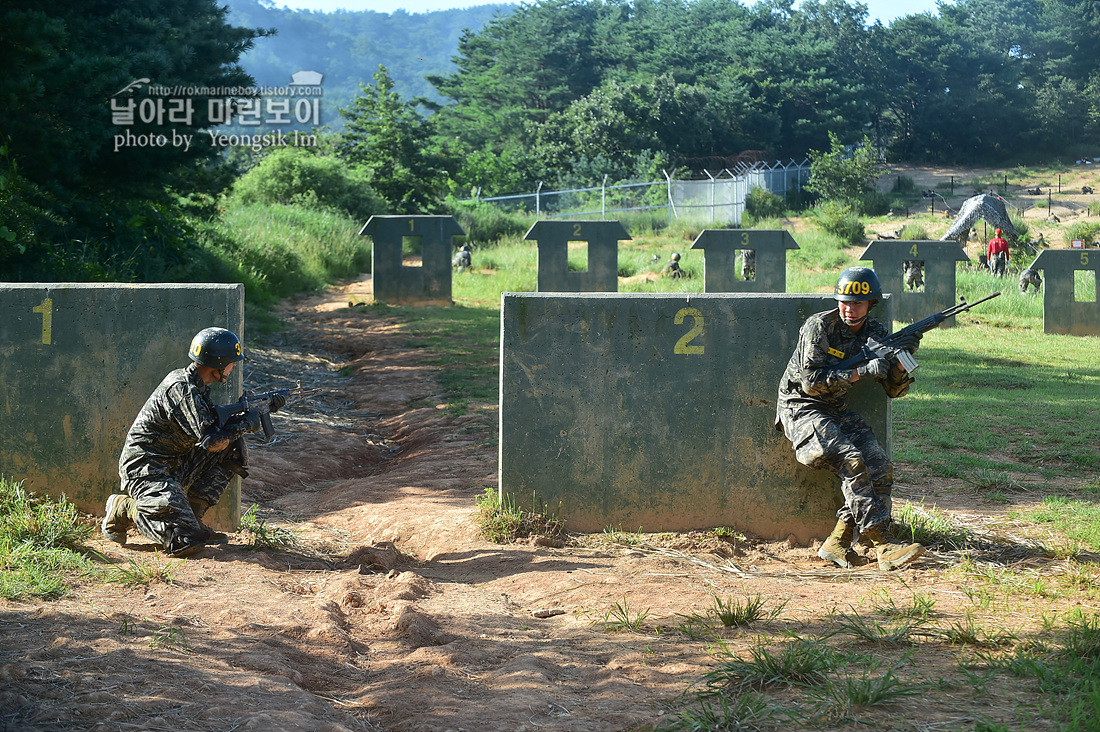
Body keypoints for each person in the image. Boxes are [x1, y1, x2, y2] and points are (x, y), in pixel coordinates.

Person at [775, 267, 926, 571]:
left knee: (879, 465)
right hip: (800, 408)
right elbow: (811, 383)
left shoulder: (877, 333)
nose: (849, 309)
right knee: (851, 460)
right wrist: (860, 372)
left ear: (871, 304)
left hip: (834, 409)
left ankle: (837, 543)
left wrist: (900, 364)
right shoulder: (819, 327)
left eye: (857, 303)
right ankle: (883, 543)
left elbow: (894, 392)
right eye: (844, 302)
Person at [100, 327, 283, 557]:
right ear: (217, 363)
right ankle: (125, 509)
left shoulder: (199, 388)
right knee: (184, 541)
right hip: (146, 469)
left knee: (233, 448)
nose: (234, 366)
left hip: (174, 463)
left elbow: (215, 432)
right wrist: (245, 424)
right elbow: (211, 441)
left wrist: (260, 409)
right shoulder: (182, 389)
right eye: (231, 362)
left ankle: (193, 517)